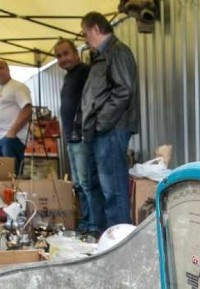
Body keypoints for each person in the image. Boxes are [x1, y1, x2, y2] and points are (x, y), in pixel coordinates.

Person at [81, 11, 140, 231]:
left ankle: (118, 244)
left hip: (111, 130)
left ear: (96, 28)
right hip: (101, 131)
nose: (85, 38)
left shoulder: (118, 52)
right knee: (99, 187)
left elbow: (123, 91)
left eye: (86, 33)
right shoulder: (101, 55)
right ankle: (105, 239)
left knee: (113, 190)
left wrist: (101, 123)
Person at [54, 37, 101, 240]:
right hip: (71, 138)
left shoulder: (84, 72)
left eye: (65, 53)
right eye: (58, 56)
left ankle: (94, 225)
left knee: (87, 183)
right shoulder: (68, 76)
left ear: (75, 53)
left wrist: (81, 128)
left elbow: (89, 103)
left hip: (81, 135)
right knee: (79, 185)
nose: (63, 59)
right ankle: (84, 222)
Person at [0, 60, 32, 176]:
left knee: (11, 175)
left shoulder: (18, 87)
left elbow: (27, 109)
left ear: (8, 70)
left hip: (10, 138)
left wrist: (12, 131)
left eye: (0, 68)